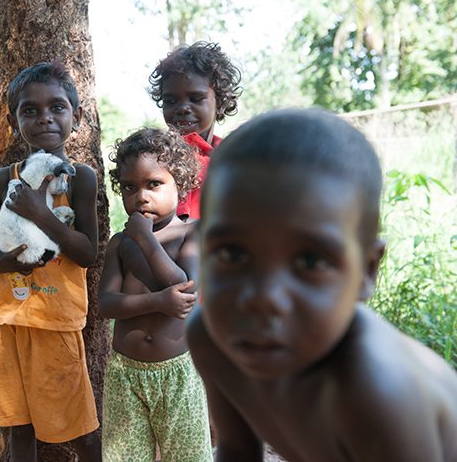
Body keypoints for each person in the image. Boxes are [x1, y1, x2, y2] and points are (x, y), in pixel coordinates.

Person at [187, 108, 457, 462]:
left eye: (310, 261)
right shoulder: (212, 341)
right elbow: (238, 450)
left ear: (367, 270)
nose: (264, 298)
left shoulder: (379, 390)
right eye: (233, 254)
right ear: (201, 248)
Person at [0, 61, 101, 461]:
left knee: (80, 428)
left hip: (56, 323)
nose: (45, 118)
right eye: (30, 110)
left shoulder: (81, 178)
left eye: (57, 108)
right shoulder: (2, 179)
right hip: (5, 322)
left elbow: (88, 253)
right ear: (13, 119)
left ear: (76, 117)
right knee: (18, 431)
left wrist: (40, 213)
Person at [98, 127, 212, 462]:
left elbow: (185, 290)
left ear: (182, 183)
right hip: (125, 374)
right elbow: (107, 304)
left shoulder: (191, 234)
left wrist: (147, 241)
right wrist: (157, 301)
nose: (141, 196)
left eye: (154, 184)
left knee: (188, 455)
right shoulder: (120, 243)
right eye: (130, 187)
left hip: (178, 375)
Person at [149, 41, 241, 220]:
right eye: (170, 101)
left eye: (196, 98)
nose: (183, 108)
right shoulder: (154, 158)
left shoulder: (234, 160)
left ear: (220, 103)